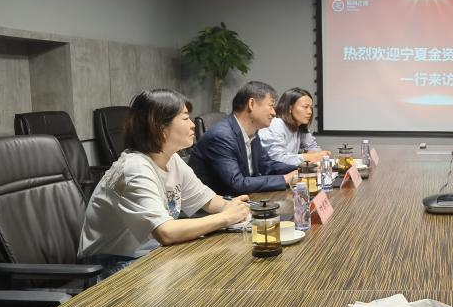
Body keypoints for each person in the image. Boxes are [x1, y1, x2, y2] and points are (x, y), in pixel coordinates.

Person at [79, 89, 251, 277]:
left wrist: (231, 207)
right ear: (160, 127)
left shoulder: (171, 158)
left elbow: (207, 200)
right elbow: (166, 232)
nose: (193, 125)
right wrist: (225, 218)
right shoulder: (133, 169)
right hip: (109, 264)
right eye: (185, 118)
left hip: (148, 252)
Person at [189, 81, 299, 195]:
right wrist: (285, 179)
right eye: (271, 106)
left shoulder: (252, 132)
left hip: (241, 198)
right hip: (217, 202)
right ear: (251, 104)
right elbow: (236, 183)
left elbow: (266, 165)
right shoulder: (221, 136)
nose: (274, 113)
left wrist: (301, 170)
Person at [259, 87, 331, 167]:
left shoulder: (300, 125)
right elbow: (277, 158)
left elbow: (313, 147)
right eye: (305, 107)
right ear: (290, 108)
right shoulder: (276, 124)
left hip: (287, 171)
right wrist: (308, 157)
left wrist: (314, 155)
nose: (310, 112)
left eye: (310, 107)